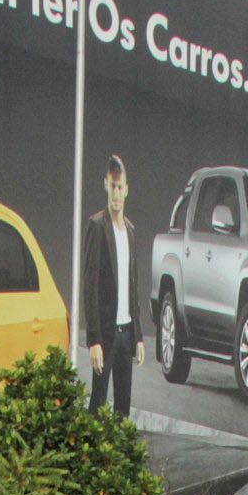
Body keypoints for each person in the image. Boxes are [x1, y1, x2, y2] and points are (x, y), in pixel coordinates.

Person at [82, 154, 140, 415]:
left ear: (126, 190)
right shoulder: (97, 226)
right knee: (98, 404)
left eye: (120, 187)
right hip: (106, 334)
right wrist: (94, 339)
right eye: (112, 186)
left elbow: (132, 285)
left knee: (123, 409)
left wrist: (138, 335)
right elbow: (90, 285)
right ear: (106, 185)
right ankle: (92, 454)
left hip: (126, 333)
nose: (116, 193)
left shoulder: (130, 231)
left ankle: (118, 455)